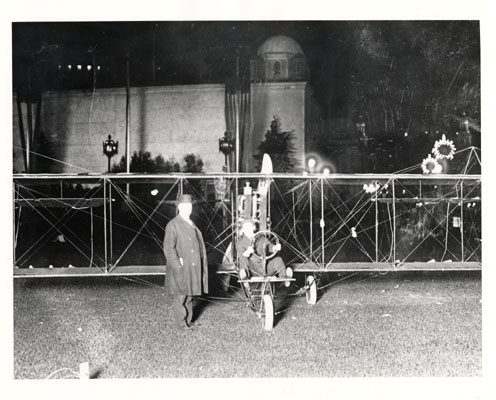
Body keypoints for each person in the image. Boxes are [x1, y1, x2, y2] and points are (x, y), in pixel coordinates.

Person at [163, 194, 208, 330]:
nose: (187, 209)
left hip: (192, 266)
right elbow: (168, 248)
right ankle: (181, 324)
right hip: (182, 267)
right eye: (184, 206)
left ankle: (188, 320)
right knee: (181, 296)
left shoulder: (191, 223)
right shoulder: (173, 225)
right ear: (179, 207)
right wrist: (177, 265)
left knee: (189, 295)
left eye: (189, 206)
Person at [236, 220, 293, 287]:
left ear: (253, 228)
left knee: (278, 260)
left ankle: (285, 278)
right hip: (252, 270)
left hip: (265, 267)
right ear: (243, 230)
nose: (249, 230)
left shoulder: (261, 238)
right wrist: (247, 252)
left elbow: (269, 246)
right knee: (243, 258)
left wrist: (275, 247)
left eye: (250, 227)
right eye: (246, 228)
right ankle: (245, 278)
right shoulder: (240, 242)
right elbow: (240, 257)